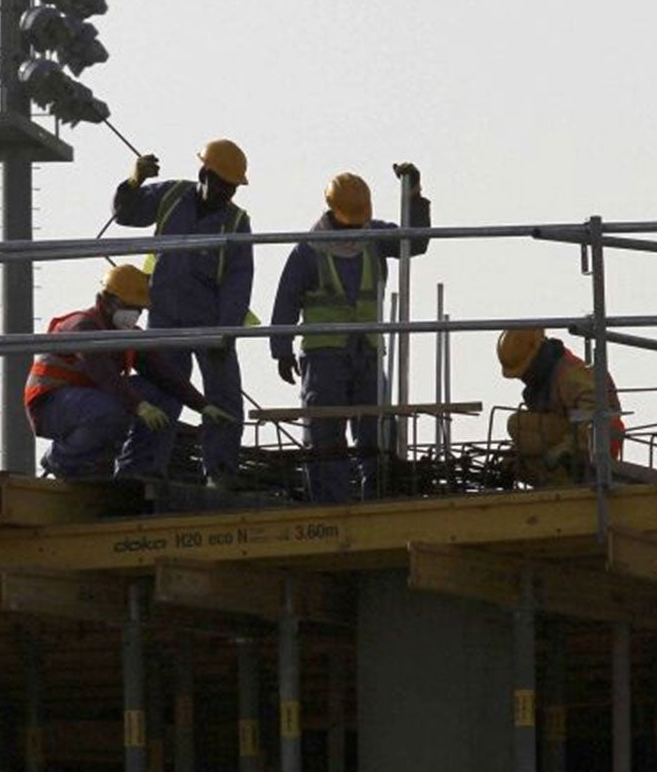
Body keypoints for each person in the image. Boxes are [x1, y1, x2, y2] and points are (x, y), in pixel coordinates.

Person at [268, 167, 430, 504]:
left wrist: (413, 197)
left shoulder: (373, 237)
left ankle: (378, 497)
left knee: (377, 432)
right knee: (326, 436)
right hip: (325, 356)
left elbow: (415, 242)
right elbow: (286, 299)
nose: (357, 227)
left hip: (367, 352)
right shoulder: (309, 251)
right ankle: (331, 504)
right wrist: (280, 348)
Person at [109, 138, 253, 484]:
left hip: (211, 323)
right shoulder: (171, 196)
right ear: (204, 174)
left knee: (223, 399)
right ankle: (143, 468)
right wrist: (134, 180)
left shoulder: (236, 222)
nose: (226, 194)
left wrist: (226, 331)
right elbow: (126, 214)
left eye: (232, 188)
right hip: (166, 318)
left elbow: (239, 279)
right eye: (222, 185)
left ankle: (220, 473)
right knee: (162, 394)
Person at [23, 262, 237, 479]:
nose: (134, 314)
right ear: (107, 300)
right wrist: (139, 405)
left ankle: (137, 468)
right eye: (129, 307)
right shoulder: (82, 326)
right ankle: (62, 459)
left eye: (139, 309)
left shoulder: (129, 335)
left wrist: (202, 405)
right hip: (53, 404)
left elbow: (164, 374)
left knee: (163, 395)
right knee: (111, 410)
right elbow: (103, 373)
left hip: (93, 400)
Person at [496, 325, 625, 484]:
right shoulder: (546, 379)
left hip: (599, 444)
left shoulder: (569, 373)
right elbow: (551, 423)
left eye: (524, 371)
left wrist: (568, 447)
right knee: (520, 464)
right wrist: (514, 455)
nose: (524, 378)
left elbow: (596, 415)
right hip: (575, 440)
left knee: (516, 424)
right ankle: (556, 481)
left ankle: (563, 481)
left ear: (535, 359)